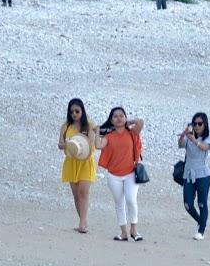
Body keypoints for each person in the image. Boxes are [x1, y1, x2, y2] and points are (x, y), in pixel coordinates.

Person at [96, 106, 146, 241]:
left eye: (121, 115)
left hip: (130, 173)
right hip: (114, 175)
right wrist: (95, 132)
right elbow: (98, 146)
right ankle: (124, 232)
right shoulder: (108, 136)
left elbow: (140, 122)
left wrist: (127, 123)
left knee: (131, 200)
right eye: (115, 116)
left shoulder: (132, 133)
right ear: (111, 120)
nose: (118, 118)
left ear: (125, 117)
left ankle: (134, 230)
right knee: (119, 203)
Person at [57, 98, 98, 234]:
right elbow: (60, 145)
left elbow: (91, 144)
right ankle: (83, 221)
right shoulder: (65, 126)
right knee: (76, 195)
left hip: (85, 161)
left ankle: (82, 224)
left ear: (82, 111)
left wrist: (79, 141)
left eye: (77, 111)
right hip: (71, 161)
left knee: (83, 192)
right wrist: (66, 144)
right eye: (72, 112)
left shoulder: (89, 125)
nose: (74, 114)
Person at [177, 112, 210, 240]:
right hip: (188, 175)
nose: (197, 126)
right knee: (188, 204)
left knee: (202, 203)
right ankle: (201, 221)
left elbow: (205, 148)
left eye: (200, 124)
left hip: (203, 175)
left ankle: (201, 231)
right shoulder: (188, 137)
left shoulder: (207, 138)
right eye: (195, 124)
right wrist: (183, 135)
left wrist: (194, 141)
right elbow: (181, 145)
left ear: (205, 124)